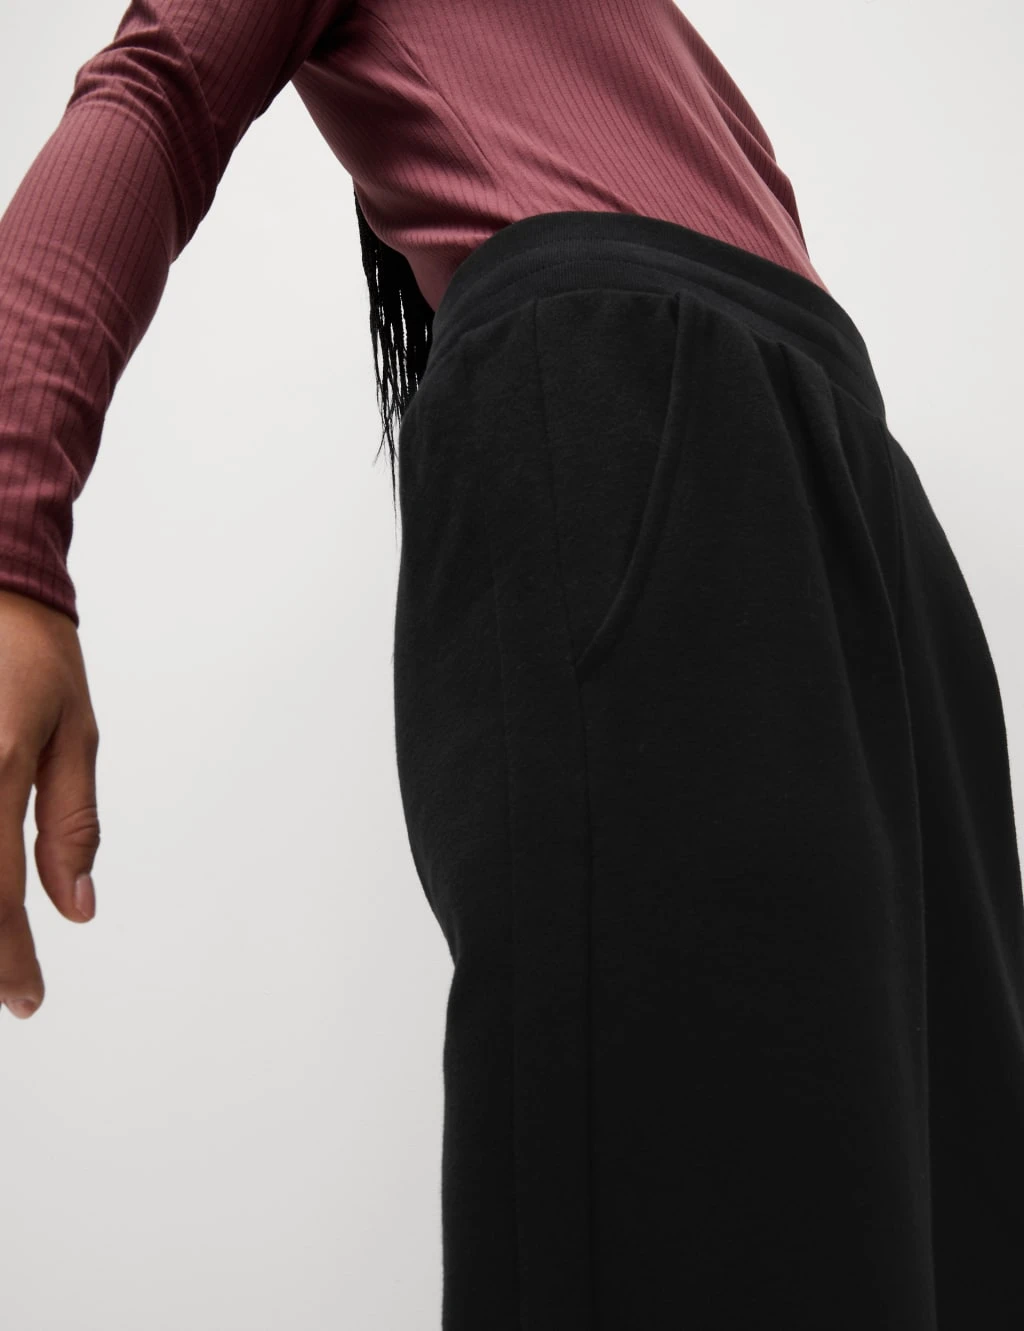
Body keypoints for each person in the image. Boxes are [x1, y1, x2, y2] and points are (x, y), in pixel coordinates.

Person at [1, 3, 1022, 1328]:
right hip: (654, 403)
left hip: (846, 485)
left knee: (946, 1217)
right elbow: (159, 86)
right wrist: (12, 533)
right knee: (684, 1198)